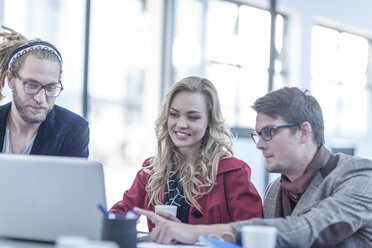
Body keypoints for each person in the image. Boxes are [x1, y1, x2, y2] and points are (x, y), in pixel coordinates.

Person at [134, 87, 372, 247]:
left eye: (268, 133)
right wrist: (193, 239)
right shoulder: (275, 191)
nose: (259, 145)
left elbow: (307, 229)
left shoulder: (358, 175)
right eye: (258, 134)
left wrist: (195, 232)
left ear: (304, 131)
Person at [111, 76, 263, 231]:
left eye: (193, 117)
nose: (181, 124)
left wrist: (189, 236)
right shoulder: (152, 170)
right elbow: (121, 213)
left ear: (209, 120)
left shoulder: (232, 172)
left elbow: (252, 233)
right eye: (174, 114)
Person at [0, 26, 89, 157]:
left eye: (50, 88)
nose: (41, 99)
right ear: (10, 79)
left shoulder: (72, 129)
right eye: (31, 85)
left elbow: (72, 178)